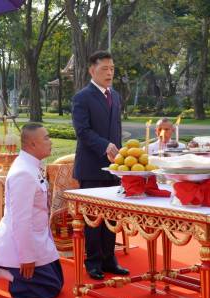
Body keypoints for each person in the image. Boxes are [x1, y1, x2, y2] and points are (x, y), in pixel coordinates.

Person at [0, 123, 63, 298]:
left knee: (58, 281)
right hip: (22, 239)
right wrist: (27, 257)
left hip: (38, 235)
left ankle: (8, 271)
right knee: (50, 289)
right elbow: (21, 220)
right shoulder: (23, 173)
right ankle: (2, 271)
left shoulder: (32, 164)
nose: (51, 142)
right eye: (46, 138)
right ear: (32, 144)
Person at [71, 51, 129, 280]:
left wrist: (122, 159)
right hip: (91, 166)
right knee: (94, 218)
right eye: (105, 68)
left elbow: (116, 130)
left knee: (111, 217)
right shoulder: (82, 97)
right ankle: (93, 261)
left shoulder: (115, 95)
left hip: (113, 167)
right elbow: (82, 131)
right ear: (92, 70)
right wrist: (105, 146)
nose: (109, 73)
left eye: (112, 68)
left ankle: (109, 259)